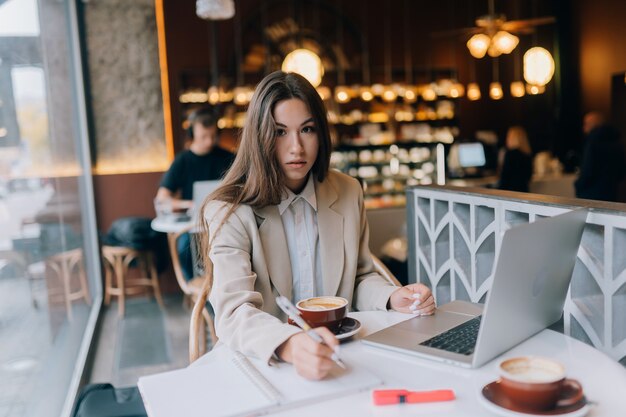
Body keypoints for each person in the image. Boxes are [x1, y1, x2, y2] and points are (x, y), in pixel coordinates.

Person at [199, 71, 435, 380]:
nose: (296, 147)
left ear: (320, 133)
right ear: (259, 137)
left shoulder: (348, 191)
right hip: (264, 362)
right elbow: (233, 313)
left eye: (307, 129)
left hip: (341, 353)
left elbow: (360, 277)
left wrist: (392, 297)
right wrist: (290, 345)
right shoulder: (228, 210)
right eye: (280, 132)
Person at [156, 107, 235, 280]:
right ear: (192, 134)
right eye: (203, 137)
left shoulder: (228, 158)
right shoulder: (182, 161)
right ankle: (198, 289)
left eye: (213, 136)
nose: (209, 141)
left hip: (224, 221)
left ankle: (219, 288)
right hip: (193, 226)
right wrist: (190, 204)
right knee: (185, 247)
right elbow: (162, 198)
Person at [575, 111, 626, 202]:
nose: (584, 128)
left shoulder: (593, 143)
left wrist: (577, 185)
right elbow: (621, 171)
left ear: (594, 125)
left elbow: (587, 171)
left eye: (586, 124)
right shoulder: (617, 141)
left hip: (591, 194)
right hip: (611, 192)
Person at [497, 126, 533, 192]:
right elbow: (529, 176)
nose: (506, 139)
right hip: (524, 192)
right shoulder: (527, 154)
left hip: (510, 194)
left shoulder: (510, 154)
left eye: (508, 136)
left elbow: (505, 178)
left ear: (513, 138)